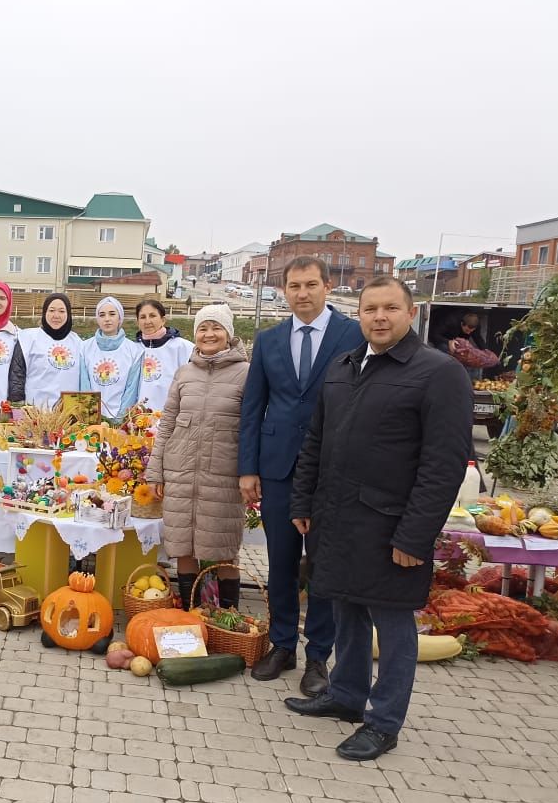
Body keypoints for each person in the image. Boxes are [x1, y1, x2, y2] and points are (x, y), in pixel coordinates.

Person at [284, 276, 472, 760]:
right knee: (345, 606)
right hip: (338, 518)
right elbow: (316, 444)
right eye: (370, 309)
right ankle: (346, 695)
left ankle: (383, 721)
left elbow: (443, 464)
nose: (379, 317)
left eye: (390, 308)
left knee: (391, 624)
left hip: (392, 526)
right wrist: (302, 503)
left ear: (411, 314)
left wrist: (415, 535)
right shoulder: (344, 366)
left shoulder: (439, 373)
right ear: (359, 315)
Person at [238, 256, 364, 697]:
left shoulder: (353, 334)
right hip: (277, 469)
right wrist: (248, 468)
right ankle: (283, 644)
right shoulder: (269, 339)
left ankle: (318, 658)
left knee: (324, 565)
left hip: (333, 468)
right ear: (283, 290)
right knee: (281, 561)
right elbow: (253, 407)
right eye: (294, 286)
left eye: (311, 284)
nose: (302, 293)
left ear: (328, 286)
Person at [144, 305, 248, 610]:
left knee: (224, 549)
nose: (209, 334)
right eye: (203, 328)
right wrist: (155, 472)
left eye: (216, 328)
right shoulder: (185, 372)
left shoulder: (247, 373)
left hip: (223, 477)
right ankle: (190, 614)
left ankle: (228, 618)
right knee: (183, 547)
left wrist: (250, 473)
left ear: (228, 334)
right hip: (180, 473)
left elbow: (253, 428)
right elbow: (167, 425)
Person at [8, 293, 83, 409]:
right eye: (51, 310)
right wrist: (17, 407)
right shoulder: (28, 338)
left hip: (69, 414)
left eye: (62, 311)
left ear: (68, 314)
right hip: (35, 412)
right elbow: (17, 374)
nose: (56, 315)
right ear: (44, 312)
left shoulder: (77, 342)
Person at [79, 296, 143, 421]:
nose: (107, 319)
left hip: (120, 418)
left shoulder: (134, 350)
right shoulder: (85, 347)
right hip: (92, 418)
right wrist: (91, 418)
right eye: (102, 315)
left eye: (112, 314)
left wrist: (121, 419)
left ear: (120, 318)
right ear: (97, 319)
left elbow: (131, 389)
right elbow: (84, 385)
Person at [134, 298, 194, 412]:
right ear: (137, 322)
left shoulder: (182, 347)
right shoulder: (133, 349)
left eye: (152, 316)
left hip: (170, 416)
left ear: (163, 320)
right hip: (138, 418)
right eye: (142, 317)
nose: (147, 321)